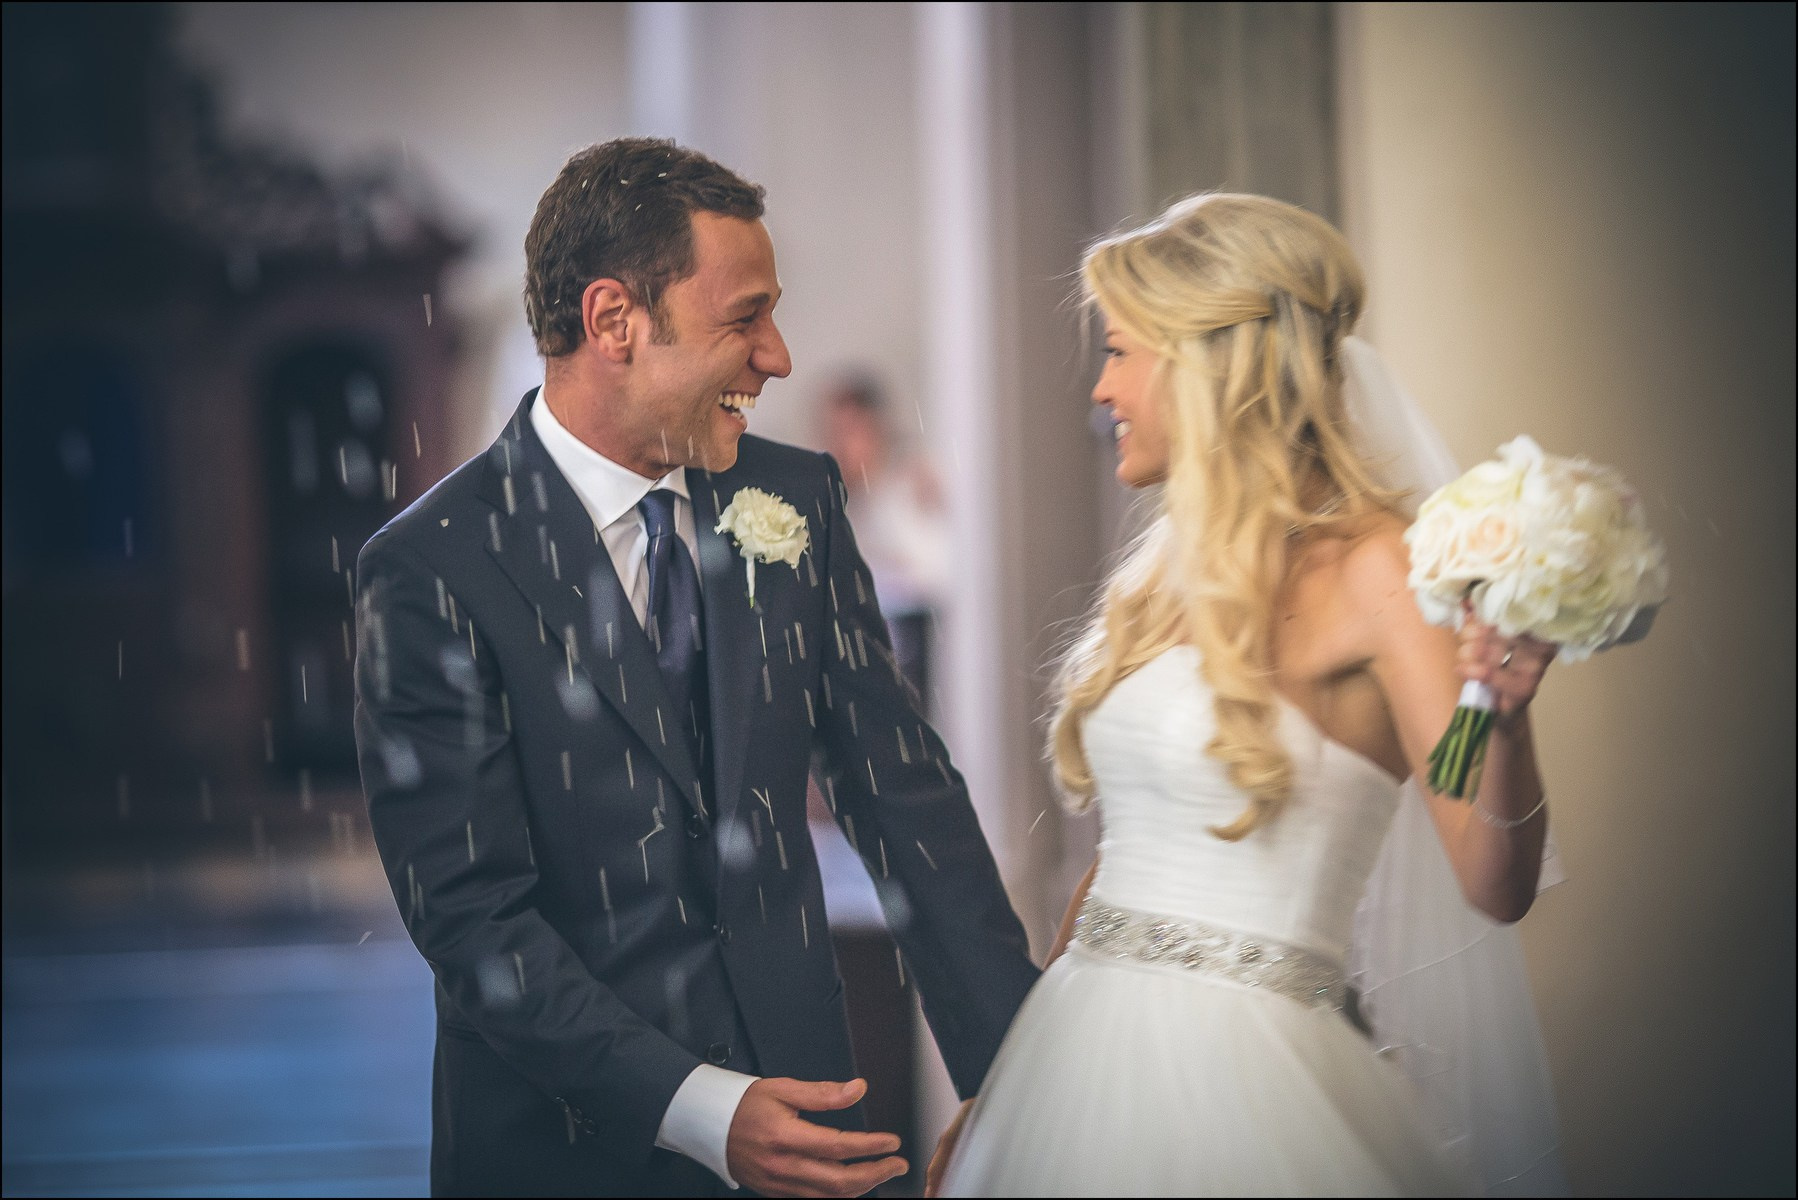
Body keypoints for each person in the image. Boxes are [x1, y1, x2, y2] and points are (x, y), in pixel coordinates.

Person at [352, 137, 1039, 1198]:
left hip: (817, 1130)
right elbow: (472, 919)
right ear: (614, 321)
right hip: (568, 1146)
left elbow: (905, 800)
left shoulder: (795, 501)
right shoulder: (431, 565)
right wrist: (699, 1109)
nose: (779, 357)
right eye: (744, 317)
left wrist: (1023, 1082)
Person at [928, 193, 1564, 1197]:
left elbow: (1490, 875)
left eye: (1122, 352)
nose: (1102, 387)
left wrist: (1504, 721)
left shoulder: (1379, 568)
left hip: (1248, 1081)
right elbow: (1121, 863)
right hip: (1070, 1060)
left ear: (1209, 364)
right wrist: (1001, 1087)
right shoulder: (1163, 573)